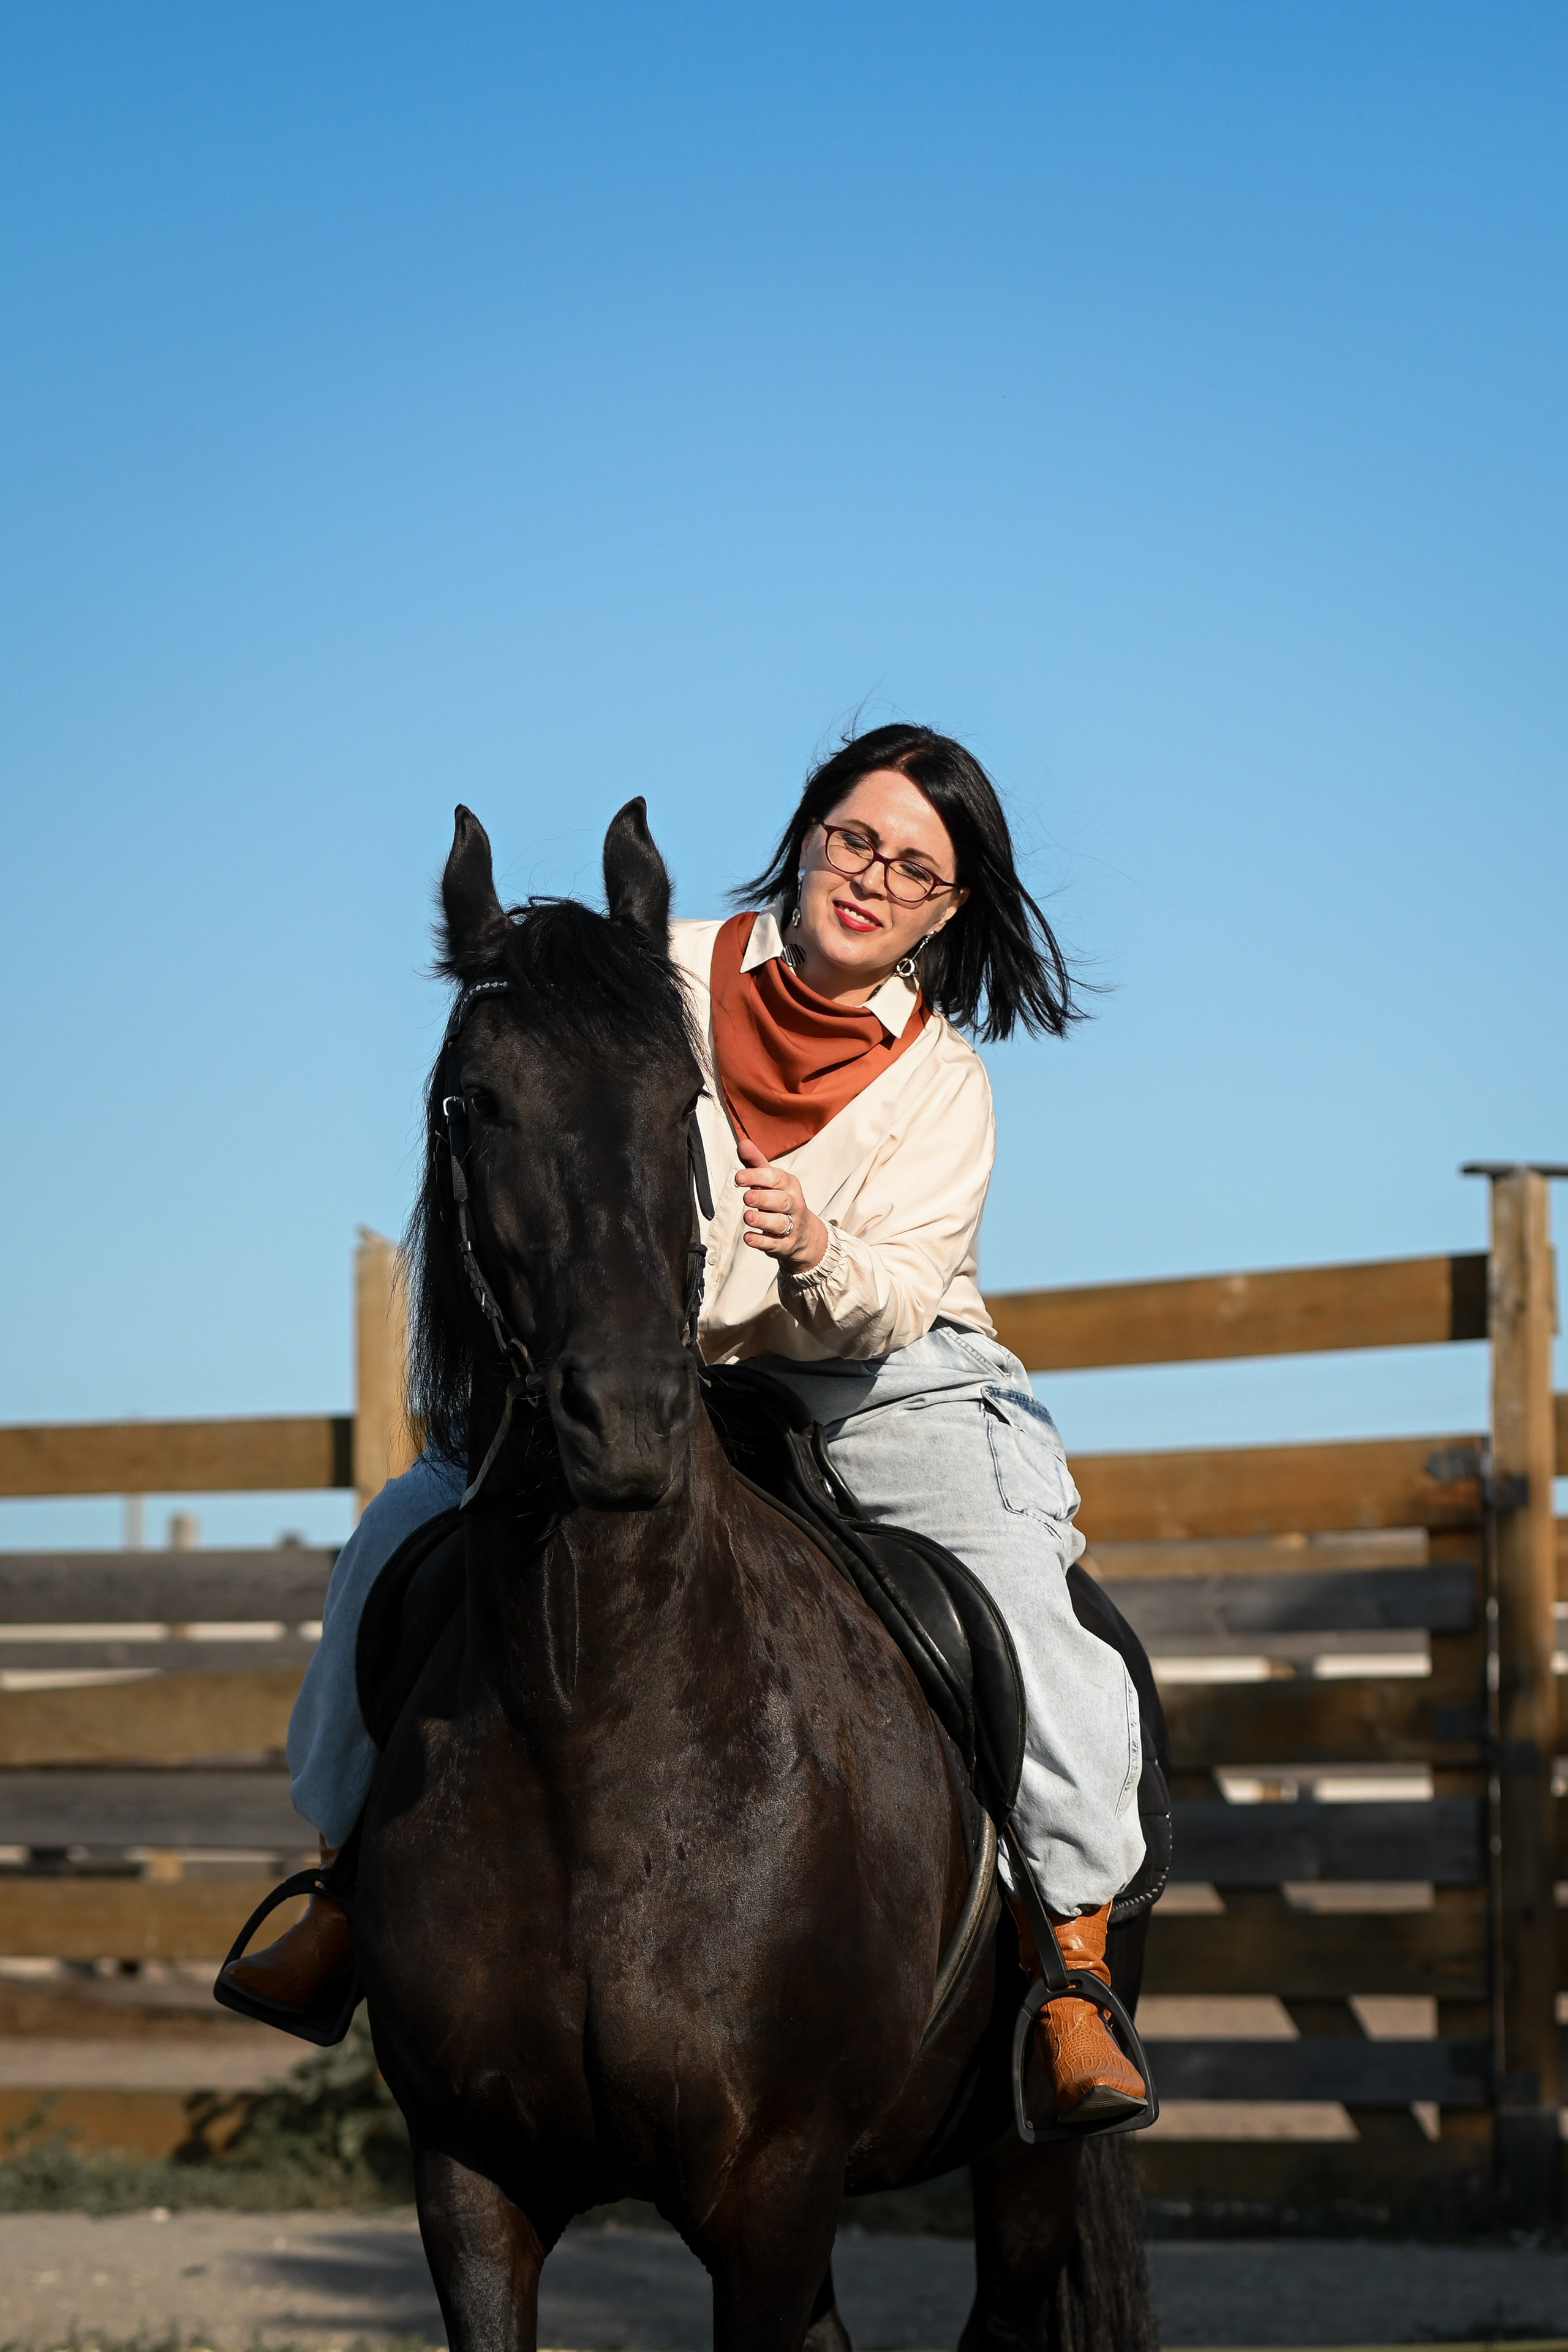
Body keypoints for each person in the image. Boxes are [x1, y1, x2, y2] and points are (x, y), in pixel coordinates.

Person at [224, 723, 1147, 2120]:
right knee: (404, 1531)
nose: (870, 880)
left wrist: (817, 1244)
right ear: (807, 831)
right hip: (654, 1363)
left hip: (877, 1376)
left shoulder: (943, 1082)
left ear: (946, 909)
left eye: (912, 869)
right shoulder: (655, 975)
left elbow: (891, 1300)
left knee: (1024, 1599)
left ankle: (1070, 1965)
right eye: (853, 838)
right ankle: (344, 1885)